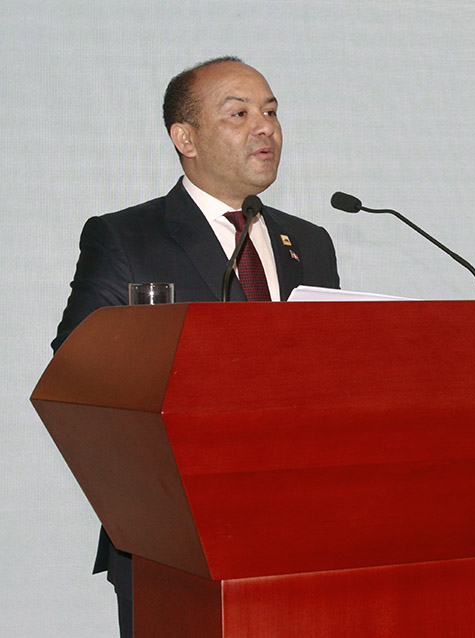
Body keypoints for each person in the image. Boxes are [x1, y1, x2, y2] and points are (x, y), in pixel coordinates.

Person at [51, 56, 340, 637]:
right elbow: (77, 368)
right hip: (174, 537)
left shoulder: (308, 242)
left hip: (306, 530)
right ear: (185, 138)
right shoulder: (125, 237)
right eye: (239, 113)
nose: (265, 127)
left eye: (272, 111)